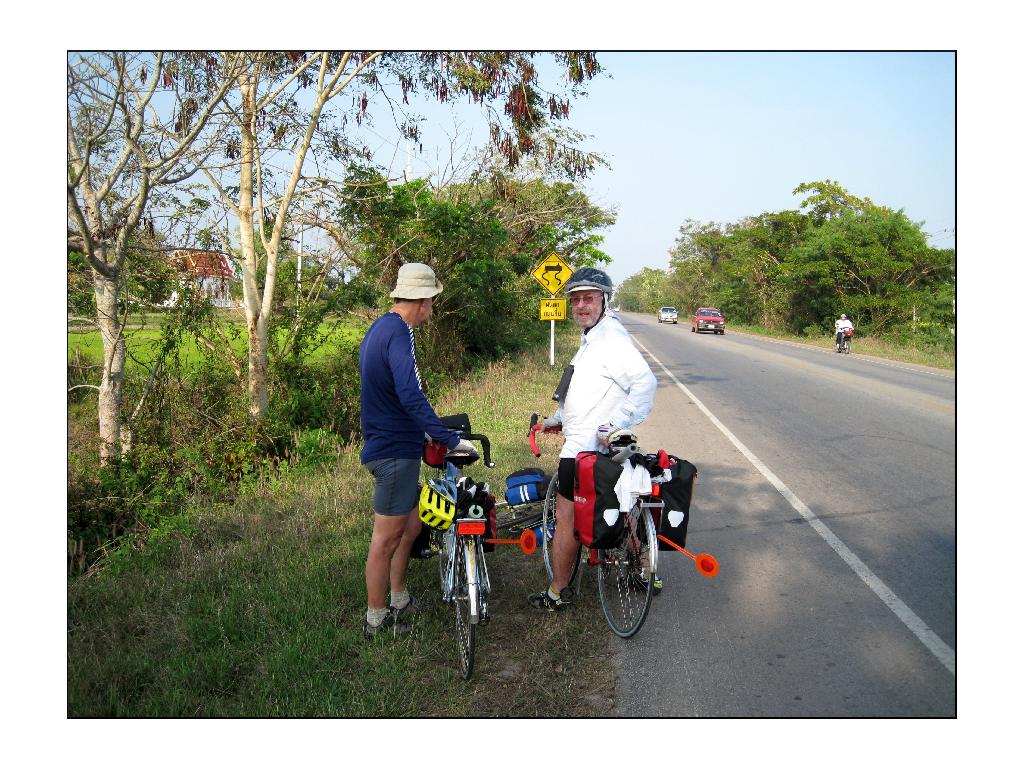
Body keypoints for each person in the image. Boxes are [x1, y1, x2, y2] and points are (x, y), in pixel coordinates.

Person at [529, 267, 658, 611]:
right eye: (576, 299)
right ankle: (644, 569)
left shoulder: (610, 340)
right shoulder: (594, 337)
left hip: (583, 453)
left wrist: (612, 425)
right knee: (621, 505)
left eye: (589, 298)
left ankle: (557, 591)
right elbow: (589, 392)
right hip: (592, 448)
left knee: (567, 522)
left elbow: (644, 385)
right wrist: (557, 420)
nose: (581, 305)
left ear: (604, 300)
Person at [359, 262, 477, 637]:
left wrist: (423, 433)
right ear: (423, 301)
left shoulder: (382, 327)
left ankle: (399, 597)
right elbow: (410, 393)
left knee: (410, 527)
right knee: (385, 539)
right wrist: (444, 436)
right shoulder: (400, 333)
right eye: (432, 302)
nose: (431, 309)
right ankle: (376, 620)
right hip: (393, 452)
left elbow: (394, 394)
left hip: (394, 443)